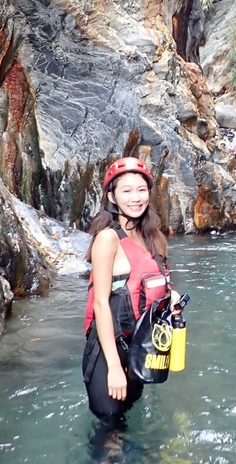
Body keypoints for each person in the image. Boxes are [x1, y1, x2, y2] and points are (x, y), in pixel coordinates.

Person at [82, 156, 180, 423]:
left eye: (141, 190)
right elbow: (100, 303)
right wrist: (114, 367)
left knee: (128, 419)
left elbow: (157, 283)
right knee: (111, 429)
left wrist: (171, 298)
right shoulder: (108, 239)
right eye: (126, 191)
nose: (135, 198)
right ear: (112, 197)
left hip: (138, 347)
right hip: (107, 349)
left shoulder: (155, 237)